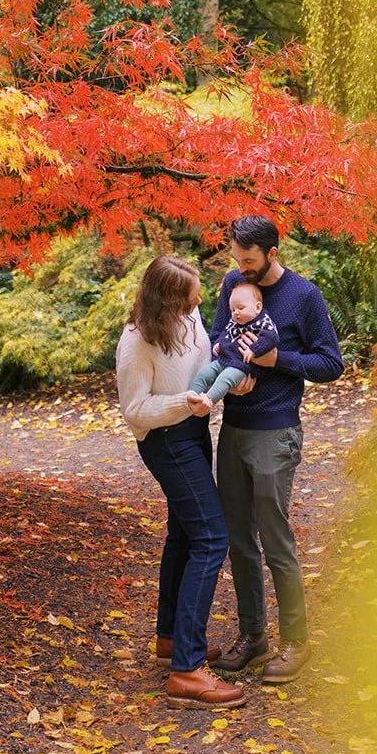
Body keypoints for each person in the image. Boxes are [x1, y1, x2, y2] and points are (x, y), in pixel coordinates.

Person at [212, 215, 344, 683]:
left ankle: (296, 641)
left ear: (272, 252)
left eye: (248, 260)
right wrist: (232, 374)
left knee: (275, 539)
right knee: (239, 541)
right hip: (234, 427)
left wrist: (276, 359)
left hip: (276, 432)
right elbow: (216, 338)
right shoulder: (234, 283)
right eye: (236, 258)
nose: (240, 268)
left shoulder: (304, 296)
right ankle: (254, 636)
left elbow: (331, 363)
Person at [115, 254, 245, 709]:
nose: (199, 302)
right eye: (190, 297)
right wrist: (182, 404)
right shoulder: (136, 343)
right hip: (166, 440)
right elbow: (135, 412)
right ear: (165, 301)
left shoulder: (187, 319)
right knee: (211, 538)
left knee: (185, 535)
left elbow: (206, 362)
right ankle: (187, 672)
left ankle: (171, 638)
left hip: (192, 430)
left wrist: (231, 378)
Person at [188, 281, 279, 411]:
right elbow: (225, 332)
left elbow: (271, 338)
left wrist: (254, 350)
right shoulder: (235, 321)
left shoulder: (262, 323)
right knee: (205, 373)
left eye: (240, 308)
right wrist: (219, 344)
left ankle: (209, 399)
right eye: (232, 310)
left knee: (225, 379)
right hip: (225, 358)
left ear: (257, 307)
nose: (235, 313)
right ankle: (192, 394)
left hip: (242, 365)